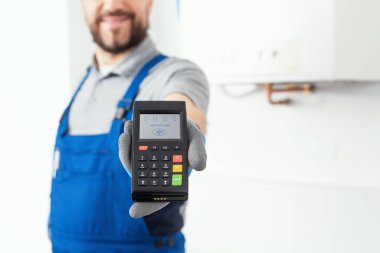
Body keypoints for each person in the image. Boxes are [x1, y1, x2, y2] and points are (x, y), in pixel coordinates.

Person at [48, 0, 209, 252]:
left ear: (149, 3)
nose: (112, 5)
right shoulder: (84, 81)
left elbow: (184, 105)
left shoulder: (175, 73)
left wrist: (183, 130)